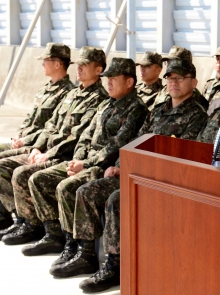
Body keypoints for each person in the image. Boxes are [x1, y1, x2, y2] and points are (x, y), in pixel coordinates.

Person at [62, 58, 208, 292]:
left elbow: (182, 156)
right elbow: (137, 141)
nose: (174, 83)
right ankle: (86, 253)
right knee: (86, 190)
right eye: (170, 78)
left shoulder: (197, 115)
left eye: (180, 78)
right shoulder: (159, 110)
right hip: (136, 172)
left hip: (164, 179)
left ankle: (115, 265)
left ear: (194, 82)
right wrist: (121, 164)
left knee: (116, 200)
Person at [19, 58, 147, 276]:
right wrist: (76, 160)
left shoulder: (136, 109)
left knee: (69, 188)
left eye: (114, 79)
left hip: (103, 166)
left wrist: (85, 164)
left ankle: (85, 253)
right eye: (108, 78)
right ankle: (64, 241)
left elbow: (117, 144)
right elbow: (87, 135)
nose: (109, 83)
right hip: (84, 162)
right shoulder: (106, 104)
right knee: (40, 179)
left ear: (129, 82)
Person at [0, 47, 108, 242]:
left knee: (24, 174)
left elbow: (77, 136)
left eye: (85, 65)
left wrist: (48, 154)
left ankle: (44, 230)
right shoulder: (73, 94)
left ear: (98, 69)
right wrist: (37, 147)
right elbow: (51, 125)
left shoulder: (99, 98)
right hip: (47, 149)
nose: (80, 68)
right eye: (79, 64)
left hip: (63, 155)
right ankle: (24, 221)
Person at [0, 43, 75, 229]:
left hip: (38, 144)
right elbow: (31, 119)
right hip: (26, 141)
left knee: (3, 165)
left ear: (57, 64)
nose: (42, 64)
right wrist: (19, 134)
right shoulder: (46, 89)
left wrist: (27, 141)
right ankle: (5, 212)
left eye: (46, 61)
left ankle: (19, 216)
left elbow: (50, 128)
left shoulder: (67, 93)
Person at [152, 46, 208, 110]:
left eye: (174, 62)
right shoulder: (164, 90)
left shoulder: (195, 97)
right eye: (168, 62)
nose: (169, 66)